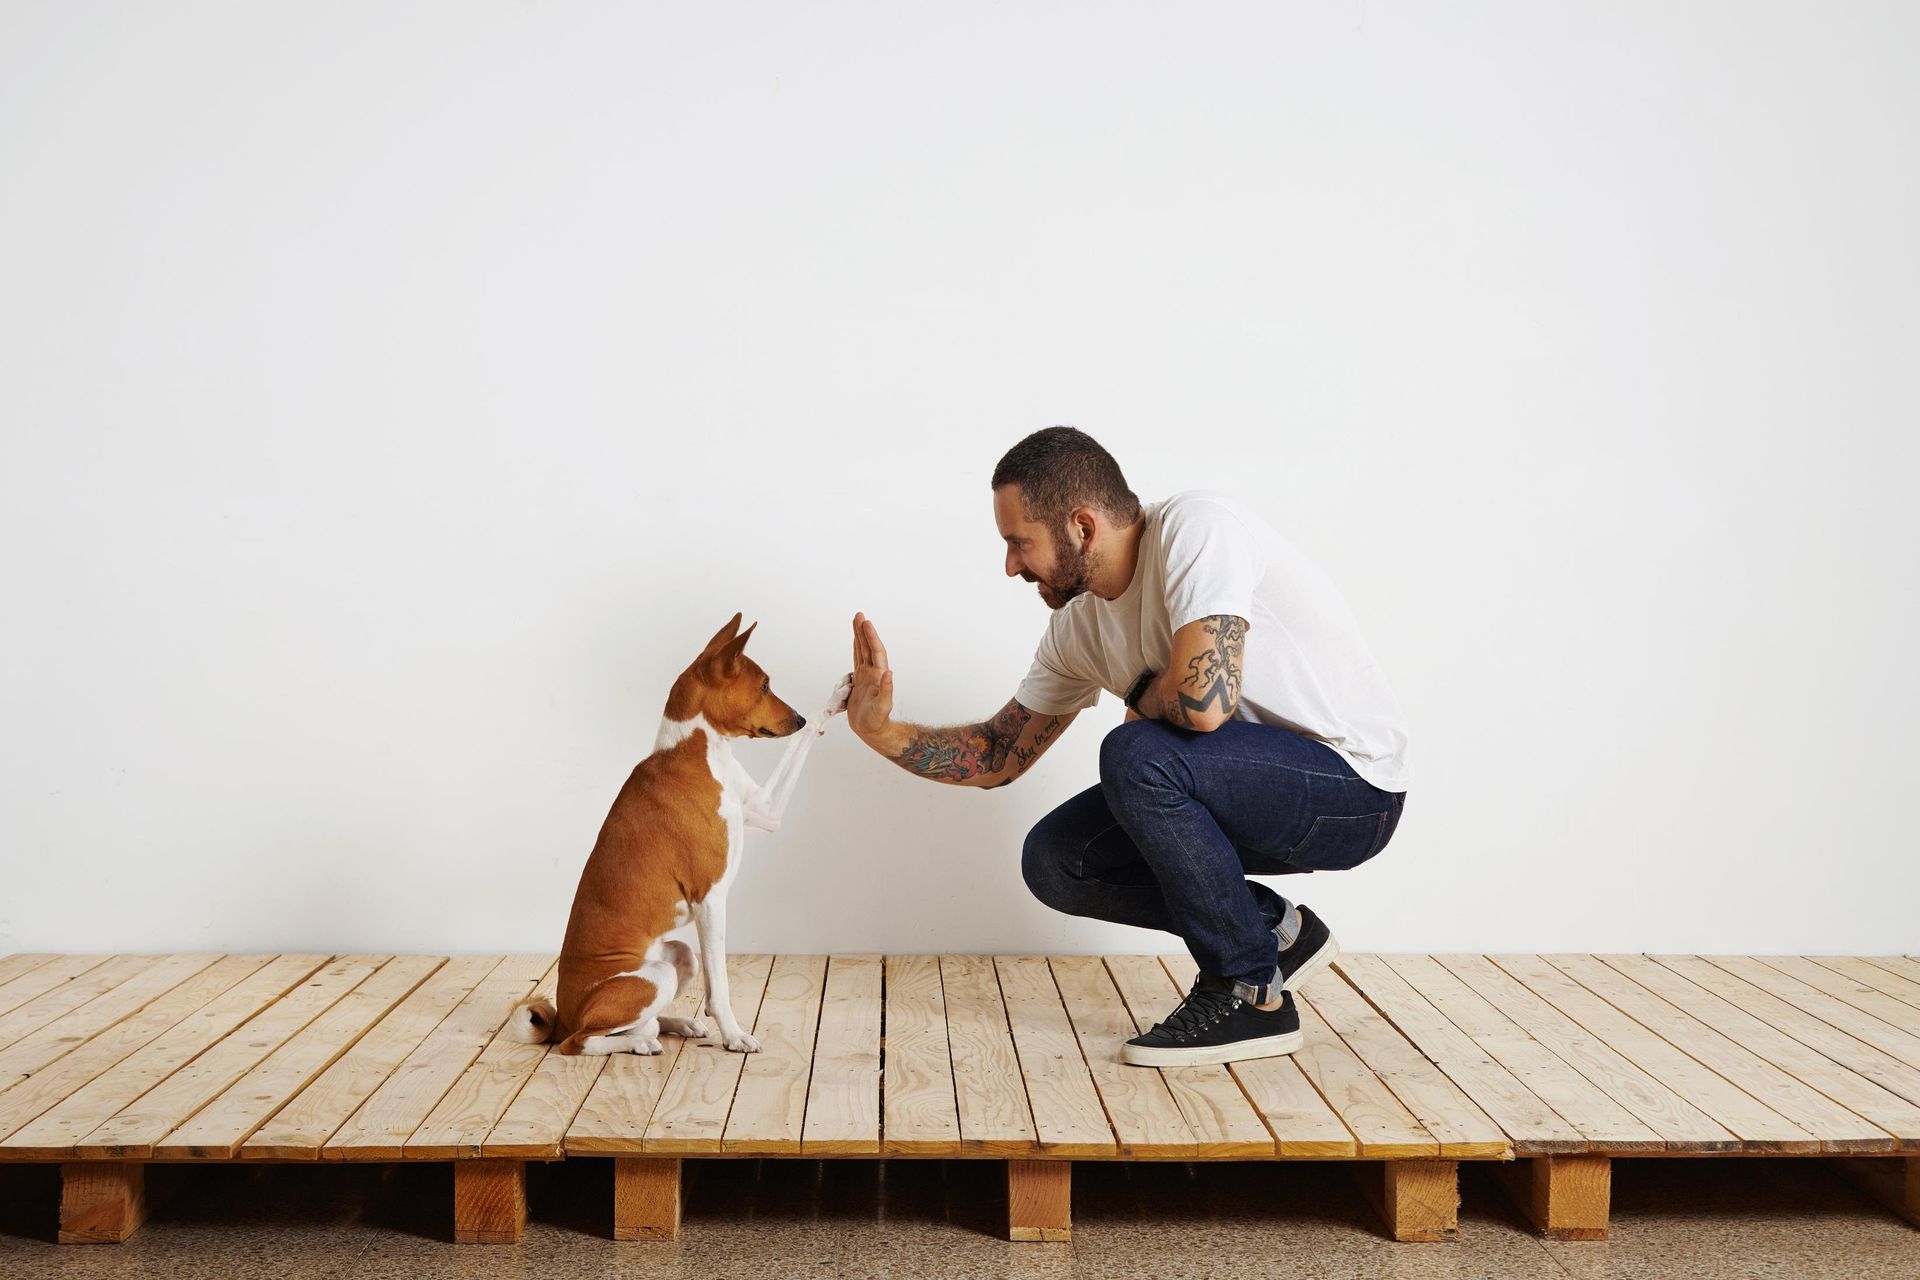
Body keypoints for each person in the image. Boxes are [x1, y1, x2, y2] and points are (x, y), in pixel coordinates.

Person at [845, 426, 1411, 1066]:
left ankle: (1253, 995)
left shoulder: (1197, 530)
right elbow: (999, 755)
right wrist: (880, 731)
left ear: (1082, 526)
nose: (1009, 566)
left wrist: (1139, 700)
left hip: (1352, 794)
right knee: (1058, 859)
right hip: (1239, 798)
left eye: (1017, 543)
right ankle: (1275, 934)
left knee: (1137, 755)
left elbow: (1205, 704)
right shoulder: (1077, 628)